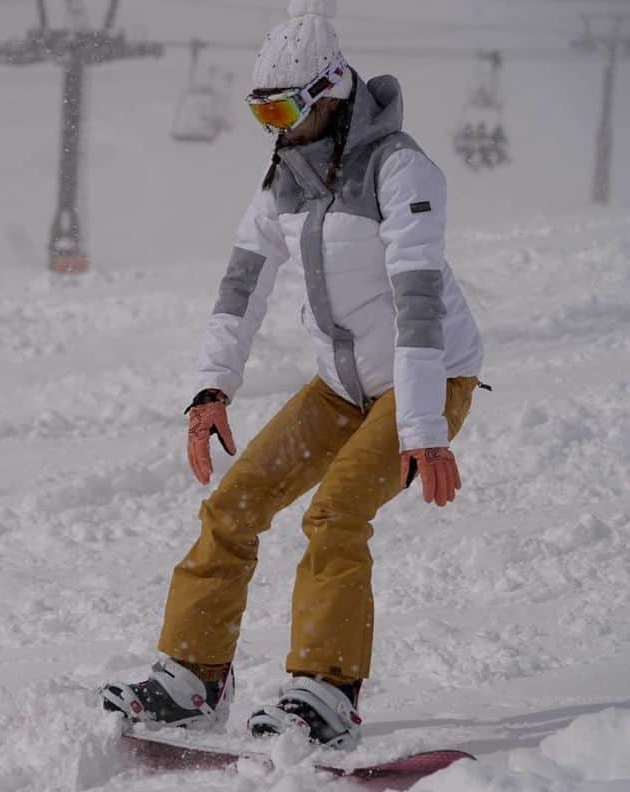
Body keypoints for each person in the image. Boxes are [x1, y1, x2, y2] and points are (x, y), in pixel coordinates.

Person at [102, 0, 484, 751]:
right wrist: (210, 389)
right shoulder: (284, 178)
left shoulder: (401, 169)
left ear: (331, 90)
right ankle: (194, 676)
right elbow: (241, 287)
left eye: (283, 107)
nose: (274, 126)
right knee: (233, 505)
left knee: (336, 514)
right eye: (261, 112)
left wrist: (424, 431)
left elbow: (418, 308)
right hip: (339, 387)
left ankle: (326, 690)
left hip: (428, 380)